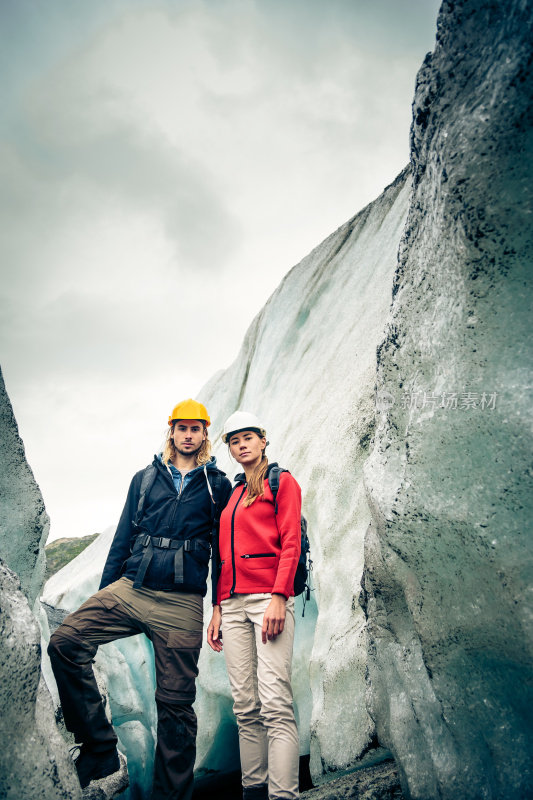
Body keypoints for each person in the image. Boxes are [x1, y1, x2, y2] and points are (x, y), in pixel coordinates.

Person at [48, 399, 232, 799]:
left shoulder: (218, 486)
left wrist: (218, 605)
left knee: (176, 708)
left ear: (205, 434)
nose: (187, 434)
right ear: (170, 430)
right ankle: (99, 747)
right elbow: (121, 540)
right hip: (133, 587)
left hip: (183, 604)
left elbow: (223, 552)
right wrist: (105, 595)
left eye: (195, 428)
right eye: (181, 427)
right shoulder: (145, 478)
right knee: (66, 641)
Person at [207, 411, 301, 800]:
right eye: (234, 440)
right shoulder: (232, 494)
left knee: (275, 702)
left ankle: (283, 795)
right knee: (245, 706)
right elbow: (220, 552)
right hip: (231, 604)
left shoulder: (283, 482)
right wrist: (216, 607)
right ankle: (254, 791)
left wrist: (280, 596)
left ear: (263, 440)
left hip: (268, 600)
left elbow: (291, 541)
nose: (241, 444)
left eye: (248, 437)